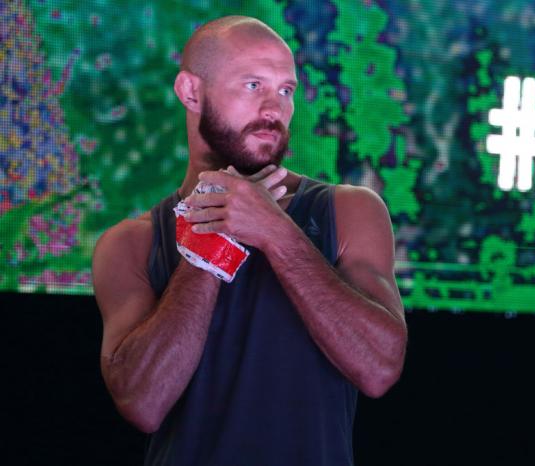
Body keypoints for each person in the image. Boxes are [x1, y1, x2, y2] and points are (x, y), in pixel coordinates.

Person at [92, 15, 407, 466]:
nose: (274, 108)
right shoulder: (129, 244)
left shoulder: (350, 210)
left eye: (286, 90)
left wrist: (278, 233)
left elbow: (379, 370)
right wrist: (211, 242)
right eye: (253, 85)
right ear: (191, 92)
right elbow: (141, 403)